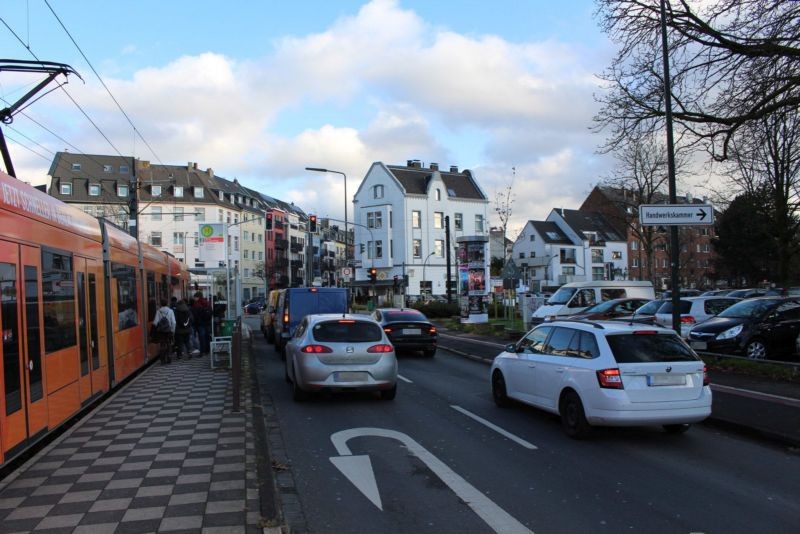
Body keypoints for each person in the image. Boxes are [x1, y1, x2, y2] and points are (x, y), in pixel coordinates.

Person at [153, 299, 176, 364]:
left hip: (161, 332)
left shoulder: (158, 311)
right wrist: (172, 330)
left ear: (161, 304)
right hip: (169, 331)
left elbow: (155, 322)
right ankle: (169, 357)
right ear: (167, 303)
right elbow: (173, 322)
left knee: (162, 344)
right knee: (169, 344)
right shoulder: (170, 311)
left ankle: (162, 359)